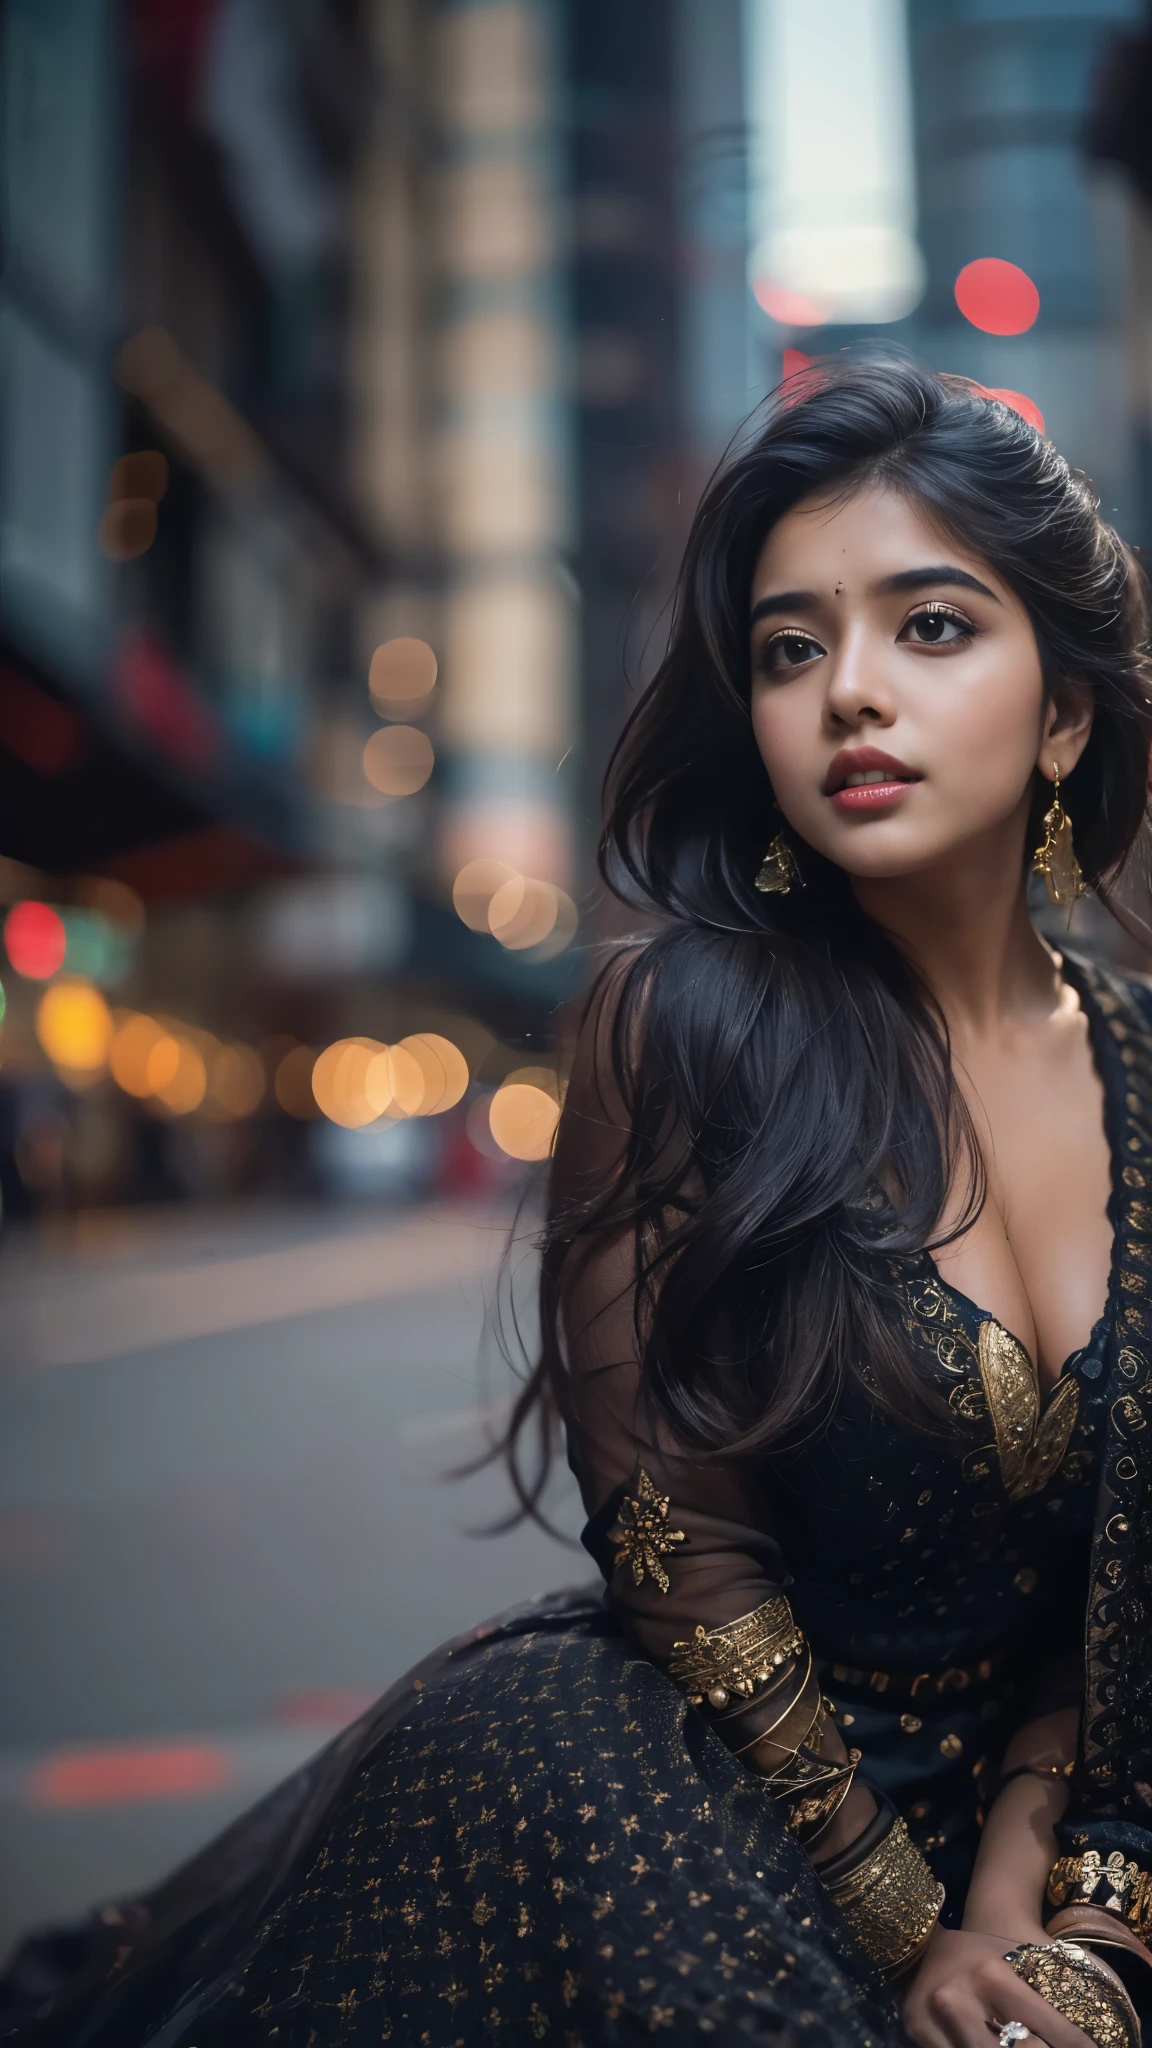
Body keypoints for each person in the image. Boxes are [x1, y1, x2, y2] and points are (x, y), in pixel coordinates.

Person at [5, 356, 1152, 2047]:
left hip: (1025, 1832)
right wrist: (918, 1935)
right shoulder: (678, 1027)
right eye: (788, 648)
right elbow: (679, 1543)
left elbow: (1107, 1591)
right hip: (671, 1809)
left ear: (1062, 711)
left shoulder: (1136, 1057)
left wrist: (1037, 1904)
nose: (849, 693)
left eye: (929, 627)